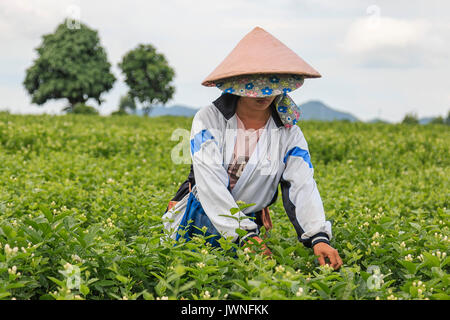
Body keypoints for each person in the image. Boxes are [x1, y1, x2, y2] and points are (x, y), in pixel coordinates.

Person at [162, 27, 343, 270]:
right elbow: (210, 183)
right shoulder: (209, 120)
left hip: (251, 226)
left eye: (272, 81)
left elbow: (302, 184)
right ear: (236, 83)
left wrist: (317, 236)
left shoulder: (289, 133)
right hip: (201, 216)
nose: (264, 92)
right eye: (254, 83)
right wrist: (244, 235)